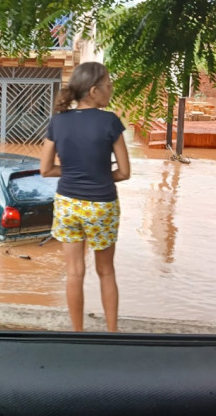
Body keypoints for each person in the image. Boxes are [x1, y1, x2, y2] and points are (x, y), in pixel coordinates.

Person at [40, 62, 130, 332]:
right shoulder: (110, 121)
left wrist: (75, 172)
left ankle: (78, 334)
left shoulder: (58, 121)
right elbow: (124, 172)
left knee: (74, 273)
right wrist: (98, 175)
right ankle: (112, 334)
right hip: (101, 204)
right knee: (106, 271)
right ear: (94, 91)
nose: (111, 90)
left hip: (67, 204)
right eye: (108, 85)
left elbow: (45, 169)